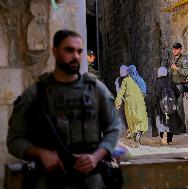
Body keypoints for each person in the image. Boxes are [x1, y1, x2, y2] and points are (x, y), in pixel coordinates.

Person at [7, 29, 121, 189]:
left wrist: (96, 156)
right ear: (55, 51)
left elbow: (114, 128)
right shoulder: (36, 94)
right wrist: (40, 153)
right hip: (50, 180)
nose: (75, 56)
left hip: (91, 180)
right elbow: (14, 140)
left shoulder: (96, 90)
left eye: (79, 51)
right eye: (69, 50)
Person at [115, 71, 148, 144]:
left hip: (129, 103)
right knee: (141, 118)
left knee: (131, 119)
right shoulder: (139, 79)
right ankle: (139, 132)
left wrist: (118, 100)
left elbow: (121, 92)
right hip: (139, 102)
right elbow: (144, 90)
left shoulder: (125, 80)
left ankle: (135, 133)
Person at [154, 67, 182, 145]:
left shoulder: (157, 82)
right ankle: (169, 140)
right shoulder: (170, 81)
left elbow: (156, 95)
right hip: (171, 106)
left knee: (162, 122)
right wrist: (172, 101)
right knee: (171, 122)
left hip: (162, 106)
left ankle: (164, 138)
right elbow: (178, 93)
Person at [168, 42, 188, 133]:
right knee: (173, 106)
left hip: (180, 85)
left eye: (176, 49)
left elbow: (186, 72)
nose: (174, 50)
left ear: (180, 49)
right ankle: (176, 127)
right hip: (172, 85)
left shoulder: (185, 60)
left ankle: (182, 129)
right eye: (173, 49)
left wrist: (176, 68)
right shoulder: (173, 60)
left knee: (179, 107)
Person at [114, 65, 129, 131]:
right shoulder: (130, 79)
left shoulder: (117, 80)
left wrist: (122, 98)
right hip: (130, 99)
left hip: (123, 100)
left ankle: (128, 129)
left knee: (124, 114)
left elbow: (118, 90)